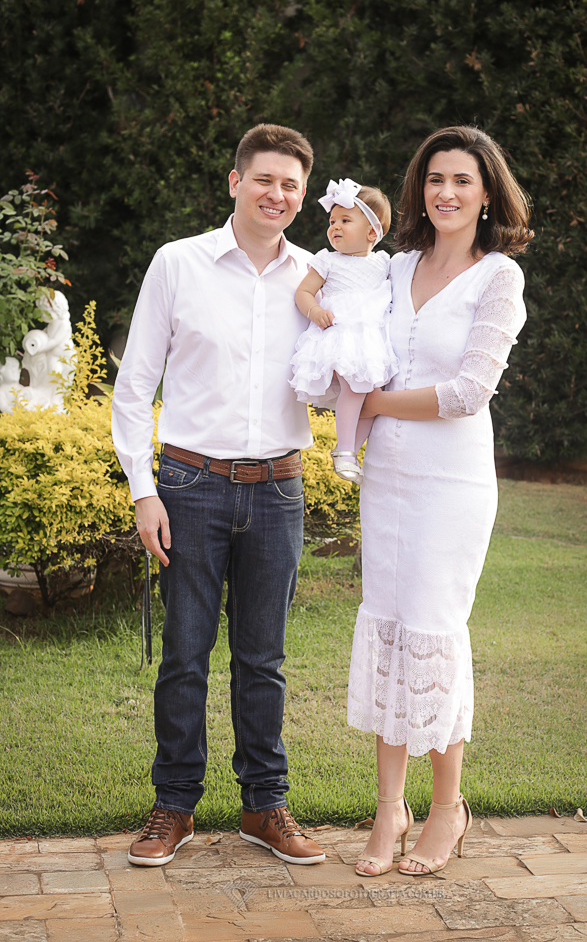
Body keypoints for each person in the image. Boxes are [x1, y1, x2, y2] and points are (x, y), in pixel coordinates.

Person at [111, 123, 326, 868]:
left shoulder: (318, 276)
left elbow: (341, 373)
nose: (277, 194)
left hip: (279, 489)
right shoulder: (179, 263)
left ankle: (265, 806)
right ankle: (173, 806)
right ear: (235, 182)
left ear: (303, 195)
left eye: (291, 185)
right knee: (185, 655)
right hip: (189, 486)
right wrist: (144, 492)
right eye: (264, 179)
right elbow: (135, 387)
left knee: (263, 659)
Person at [347, 125, 532, 877]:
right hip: (386, 479)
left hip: (450, 484)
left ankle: (447, 807)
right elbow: (351, 338)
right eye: (433, 179)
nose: (445, 192)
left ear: (487, 193)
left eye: (461, 180)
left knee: (432, 630)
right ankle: (389, 807)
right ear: (418, 191)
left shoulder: (499, 279)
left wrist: (373, 404)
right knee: (389, 628)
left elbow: (466, 393)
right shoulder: (393, 268)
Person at [289, 179, 397, 485]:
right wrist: (315, 311)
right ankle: (346, 450)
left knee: (374, 398)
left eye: (345, 221)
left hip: (370, 341)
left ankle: (349, 452)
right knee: (355, 388)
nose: (335, 226)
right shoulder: (327, 261)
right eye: (332, 221)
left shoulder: (383, 263)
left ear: (372, 232)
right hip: (340, 335)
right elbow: (303, 292)